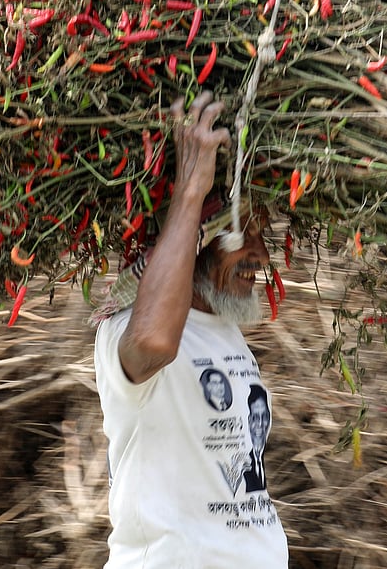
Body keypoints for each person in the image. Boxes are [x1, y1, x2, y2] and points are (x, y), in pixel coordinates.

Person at [93, 91, 289, 568]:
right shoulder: (126, 331)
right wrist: (189, 193)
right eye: (243, 233)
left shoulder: (225, 332)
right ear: (192, 242)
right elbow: (153, 342)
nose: (263, 255)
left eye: (262, 235)